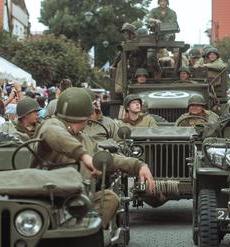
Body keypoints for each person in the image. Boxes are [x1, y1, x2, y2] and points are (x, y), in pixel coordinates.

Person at [33, 88, 155, 226]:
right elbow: (54, 133)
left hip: (79, 196)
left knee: (109, 198)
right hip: (50, 198)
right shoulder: (51, 125)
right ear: (85, 115)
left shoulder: (84, 138)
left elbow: (106, 156)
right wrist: (84, 156)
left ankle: (90, 232)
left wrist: (138, 165)